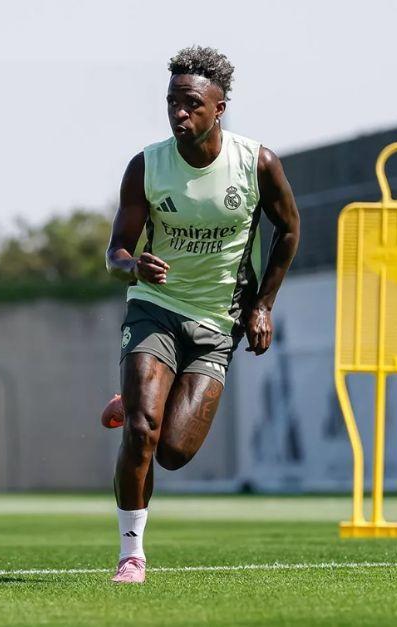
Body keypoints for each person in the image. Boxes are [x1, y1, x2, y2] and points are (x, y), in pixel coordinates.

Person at [102, 46, 300, 582]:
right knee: (141, 432)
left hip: (218, 323)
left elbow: (289, 230)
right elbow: (115, 250)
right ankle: (131, 554)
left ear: (219, 107)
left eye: (190, 104)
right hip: (156, 310)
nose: (178, 114)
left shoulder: (257, 163)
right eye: (172, 102)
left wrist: (262, 305)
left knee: (172, 452)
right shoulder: (147, 165)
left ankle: (141, 396)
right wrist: (133, 267)